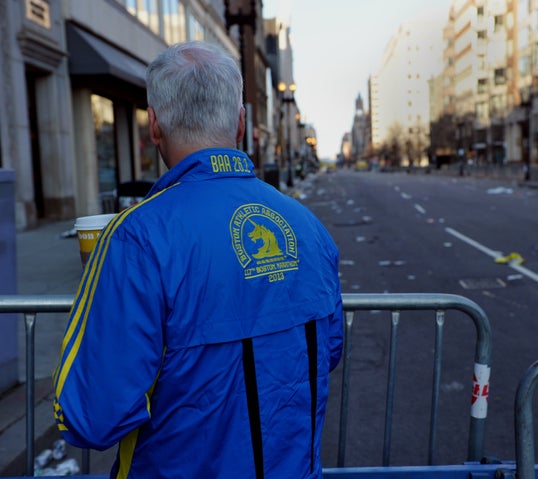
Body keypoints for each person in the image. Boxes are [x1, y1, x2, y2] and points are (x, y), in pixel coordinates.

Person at [52, 41, 344, 478]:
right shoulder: (307, 226)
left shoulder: (137, 238)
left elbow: (91, 416)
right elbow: (331, 348)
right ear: (241, 123)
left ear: (153, 125)